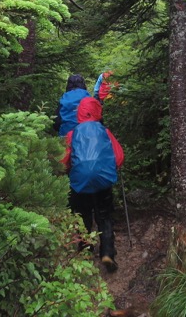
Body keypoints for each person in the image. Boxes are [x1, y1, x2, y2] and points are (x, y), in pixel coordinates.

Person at [62, 96, 124, 272]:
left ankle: (85, 252)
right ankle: (107, 253)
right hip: (103, 182)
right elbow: (119, 157)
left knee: (83, 217)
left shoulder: (72, 134)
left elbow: (64, 158)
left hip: (80, 182)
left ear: (79, 113)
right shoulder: (105, 132)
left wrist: (69, 170)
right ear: (98, 111)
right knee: (104, 217)